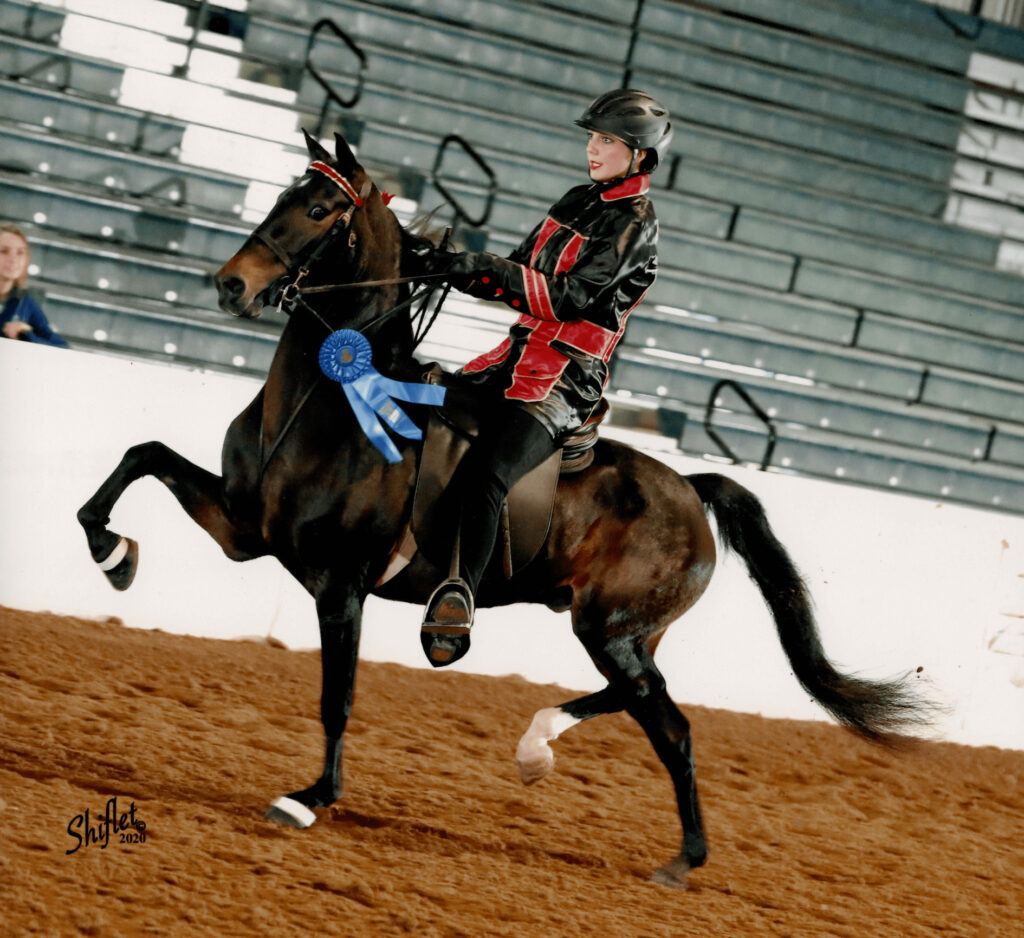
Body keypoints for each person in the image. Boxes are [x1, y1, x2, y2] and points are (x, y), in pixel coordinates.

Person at [419, 89, 672, 665]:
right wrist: (446, 264)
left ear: (639, 155)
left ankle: (457, 598)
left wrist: (486, 268)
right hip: (510, 361)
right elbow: (516, 268)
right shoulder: (577, 199)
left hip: (564, 381)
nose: (593, 147)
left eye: (607, 140)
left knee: (487, 474)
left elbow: (570, 297)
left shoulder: (636, 226)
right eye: (592, 137)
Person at [0, 224, 68, 348]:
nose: (13, 259)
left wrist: (26, 335)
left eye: (20, 253)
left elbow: (62, 347)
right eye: (4, 251)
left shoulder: (25, 303)